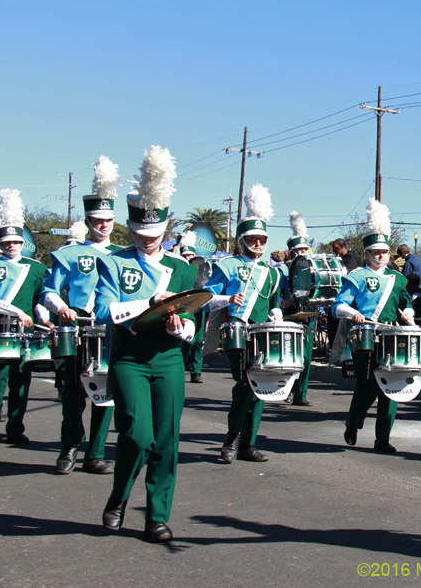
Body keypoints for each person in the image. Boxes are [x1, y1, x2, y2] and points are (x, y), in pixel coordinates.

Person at [96, 146, 197, 543]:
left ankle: (156, 515)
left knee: (167, 440)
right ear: (130, 227)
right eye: (140, 233)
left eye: (154, 234)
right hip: (129, 358)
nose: (147, 239)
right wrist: (148, 304)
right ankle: (119, 497)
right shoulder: (114, 261)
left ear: (166, 230)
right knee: (137, 435)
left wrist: (177, 326)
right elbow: (105, 308)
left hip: (169, 358)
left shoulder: (184, 267)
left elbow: (192, 321)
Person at [41, 156, 123, 472]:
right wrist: (60, 307)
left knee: (106, 392)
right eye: (97, 220)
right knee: (73, 394)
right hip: (76, 327)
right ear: (88, 221)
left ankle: (96, 453)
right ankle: (69, 448)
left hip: (109, 330)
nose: (103, 225)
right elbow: (48, 290)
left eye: (108, 219)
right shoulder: (68, 254)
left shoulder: (124, 256)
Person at [204, 184, 282, 464]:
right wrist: (227, 298)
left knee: (261, 386)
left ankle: (248, 444)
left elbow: (274, 301)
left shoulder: (271, 273)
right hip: (236, 331)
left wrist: (276, 314)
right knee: (244, 385)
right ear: (242, 240)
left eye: (262, 239)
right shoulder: (225, 265)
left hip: (262, 334)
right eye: (253, 239)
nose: (259, 245)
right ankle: (232, 438)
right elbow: (206, 299)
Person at [334, 198, 414, 453]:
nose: (381, 256)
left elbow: (406, 302)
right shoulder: (356, 276)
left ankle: (382, 439)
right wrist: (353, 312)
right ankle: (353, 422)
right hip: (365, 335)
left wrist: (409, 315)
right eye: (376, 253)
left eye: (385, 252)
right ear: (367, 254)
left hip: (391, 334)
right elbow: (338, 306)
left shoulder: (397, 278)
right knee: (367, 386)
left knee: (391, 387)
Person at [0, 189, 50, 445]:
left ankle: (15, 427)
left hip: (25, 332)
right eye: (6, 242)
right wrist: (15, 311)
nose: (11, 245)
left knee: (21, 381)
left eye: (15, 242)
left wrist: (46, 318)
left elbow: (39, 299)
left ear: (22, 242)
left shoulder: (37, 268)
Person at [281, 211, 315, 407]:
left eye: (305, 249)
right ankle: (289, 389)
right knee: (292, 355)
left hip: (309, 315)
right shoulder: (283, 270)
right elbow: (274, 293)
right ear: (292, 252)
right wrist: (281, 302)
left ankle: (300, 394)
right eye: (299, 250)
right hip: (291, 316)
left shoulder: (312, 271)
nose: (303, 253)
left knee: (307, 358)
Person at [178, 230, 207, 384]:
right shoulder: (179, 269)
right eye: (186, 256)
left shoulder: (202, 270)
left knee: (197, 341)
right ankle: (179, 368)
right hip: (185, 309)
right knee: (185, 340)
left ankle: (196, 371)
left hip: (200, 309)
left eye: (191, 256)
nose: (188, 259)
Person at [328, 238, 360, 349]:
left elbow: (348, 278)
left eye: (335, 248)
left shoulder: (350, 260)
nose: (334, 250)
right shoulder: (340, 259)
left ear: (342, 247)